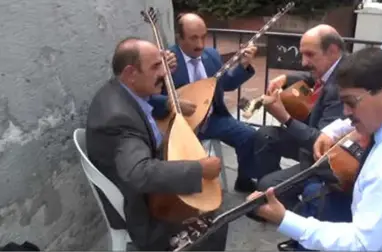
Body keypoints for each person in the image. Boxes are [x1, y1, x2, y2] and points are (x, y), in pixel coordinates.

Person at [248, 47, 382, 250]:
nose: (345, 112)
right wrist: (337, 129)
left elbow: (360, 243)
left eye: (351, 103)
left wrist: (284, 219)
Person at [86, 37, 228, 251]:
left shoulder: (122, 92)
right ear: (130, 74)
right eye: (155, 66)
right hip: (144, 211)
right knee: (217, 223)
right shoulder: (119, 119)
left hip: (145, 195)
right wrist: (199, 169)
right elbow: (138, 172)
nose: (164, 72)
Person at [149, 12, 259, 193]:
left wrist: (244, 65)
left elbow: (225, 84)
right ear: (179, 38)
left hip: (213, 119)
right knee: (187, 165)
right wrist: (171, 102)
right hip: (181, 126)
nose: (200, 44)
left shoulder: (212, 55)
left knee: (249, 136)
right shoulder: (166, 60)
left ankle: (244, 180)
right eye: (193, 38)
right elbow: (150, 99)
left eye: (203, 37)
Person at [252, 24, 348, 210]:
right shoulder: (333, 66)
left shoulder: (342, 86)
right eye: (302, 54)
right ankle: (277, 193)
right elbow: (311, 75)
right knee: (264, 135)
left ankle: (300, 213)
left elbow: (322, 144)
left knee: (265, 186)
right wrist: (286, 78)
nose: (303, 61)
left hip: (325, 158)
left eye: (310, 55)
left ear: (333, 50)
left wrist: (285, 118)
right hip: (309, 142)